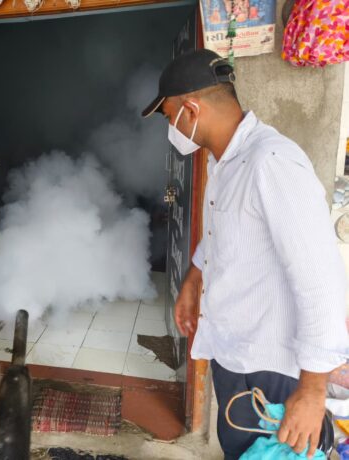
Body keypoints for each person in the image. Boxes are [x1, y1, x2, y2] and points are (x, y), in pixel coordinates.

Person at [142, 49, 348, 459]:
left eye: (169, 117)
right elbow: (222, 233)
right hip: (235, 354)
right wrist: (194, 278)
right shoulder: (225, 163)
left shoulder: (271, 162)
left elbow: (321, 278)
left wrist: (311, 391)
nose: (171, 128)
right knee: (239, 449)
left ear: (191, 109)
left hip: (271, 369)